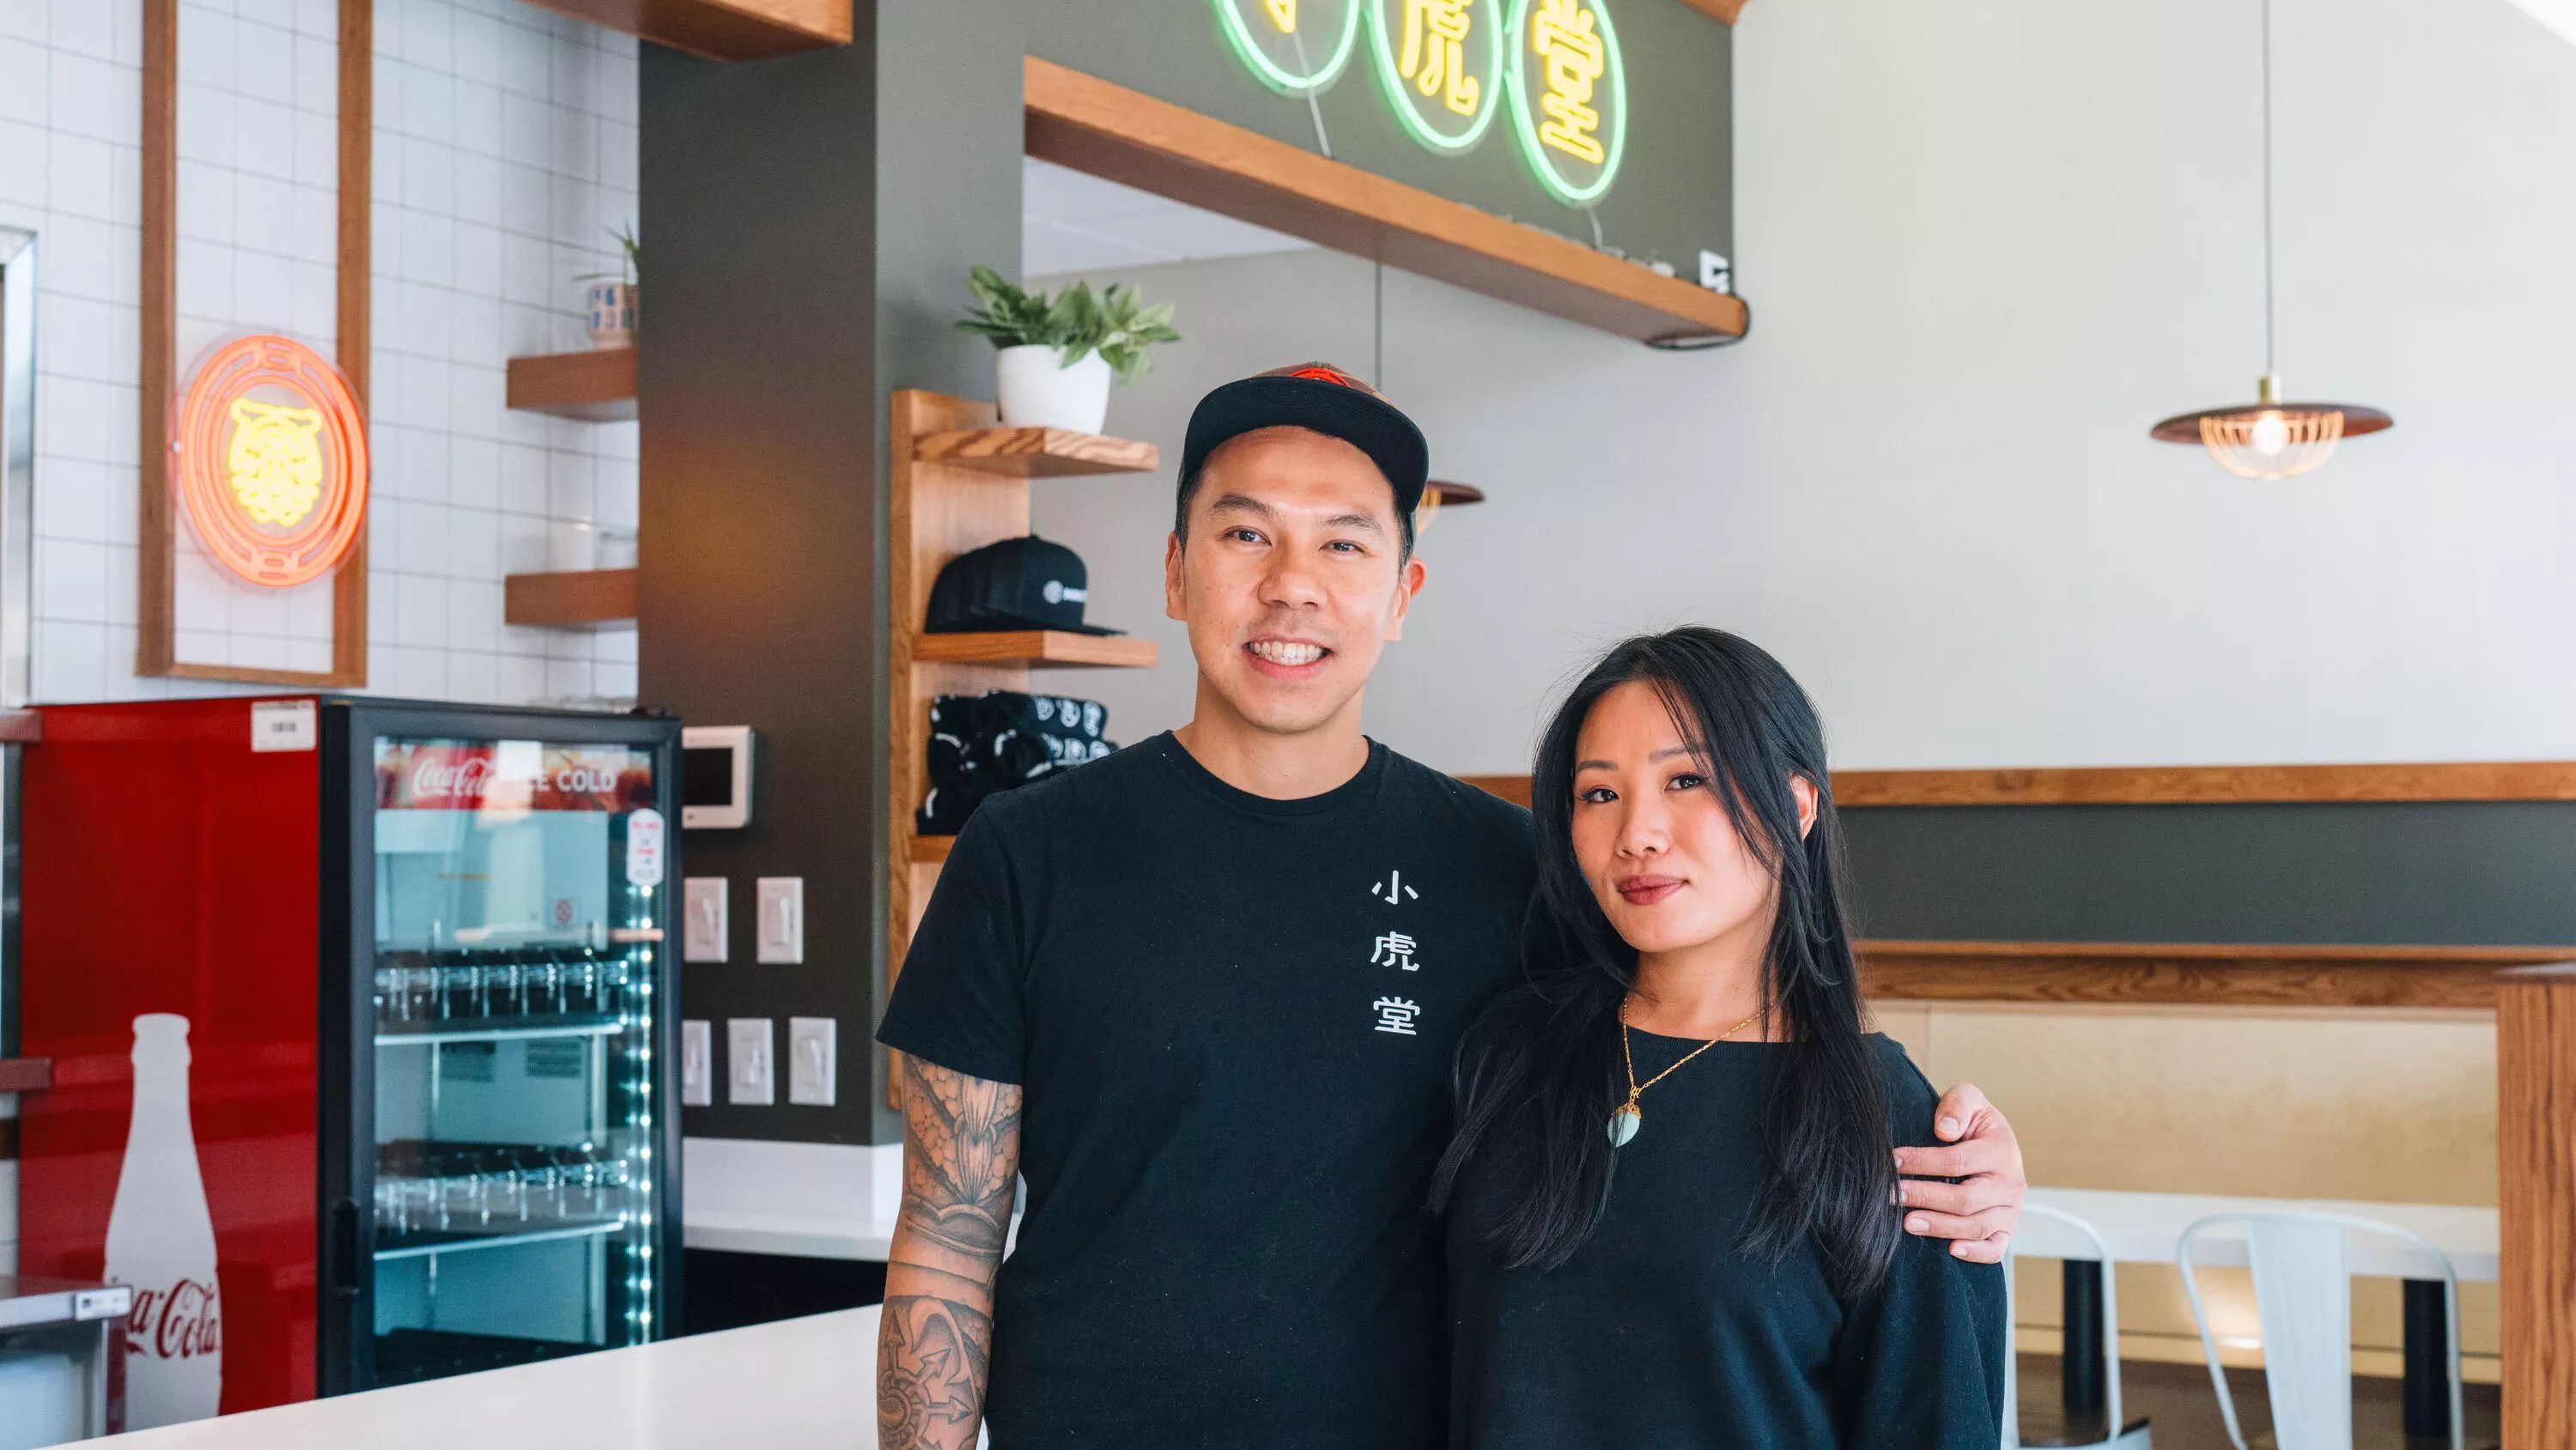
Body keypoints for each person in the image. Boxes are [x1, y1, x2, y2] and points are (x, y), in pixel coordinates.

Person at [874, 364, 2024, 1449]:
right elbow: (945, 1230)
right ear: (1176, 572)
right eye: (1245, 533)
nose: (1292, 583)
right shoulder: (1028, 850)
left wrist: (1958, 1159)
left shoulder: (1511, 866)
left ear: (1402, 592)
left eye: (1343, 542)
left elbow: (1702, 1039)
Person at [1436, 627, 2007, 1447]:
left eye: (1687, 779)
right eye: (1600, 793)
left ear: (1798, 806)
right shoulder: (1506, 1049)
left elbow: (1934, 1420)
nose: (1638, 831)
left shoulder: (1888, 1117)